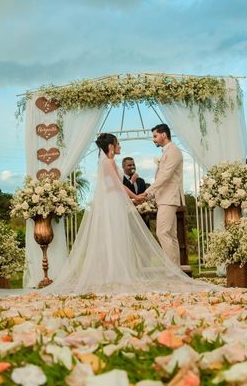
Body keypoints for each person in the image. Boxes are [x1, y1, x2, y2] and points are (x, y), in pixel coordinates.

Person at [37, 133, 212, 296]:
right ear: (111, 147)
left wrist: (135, 197)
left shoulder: (109, 162)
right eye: (118, 144)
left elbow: (119, 185)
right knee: (113, 236)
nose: (120, 146)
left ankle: (118, 273)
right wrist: (136, 197)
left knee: (119, 236)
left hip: (116, 201)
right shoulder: (108, 162)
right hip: (112, 202)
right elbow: (118, 185)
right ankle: (112, 274)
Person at [137, 124, 185, 266]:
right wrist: (150, 196)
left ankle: (172, 270)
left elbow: (165, 176)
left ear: (164, 135)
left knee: (162, 232)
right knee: (170, 234)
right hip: (165, 198)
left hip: (169, 198)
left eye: (155, 136)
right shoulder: (167, 152)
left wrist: (147, 192)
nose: (154, 139)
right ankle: (176, 269)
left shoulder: (173, 151)